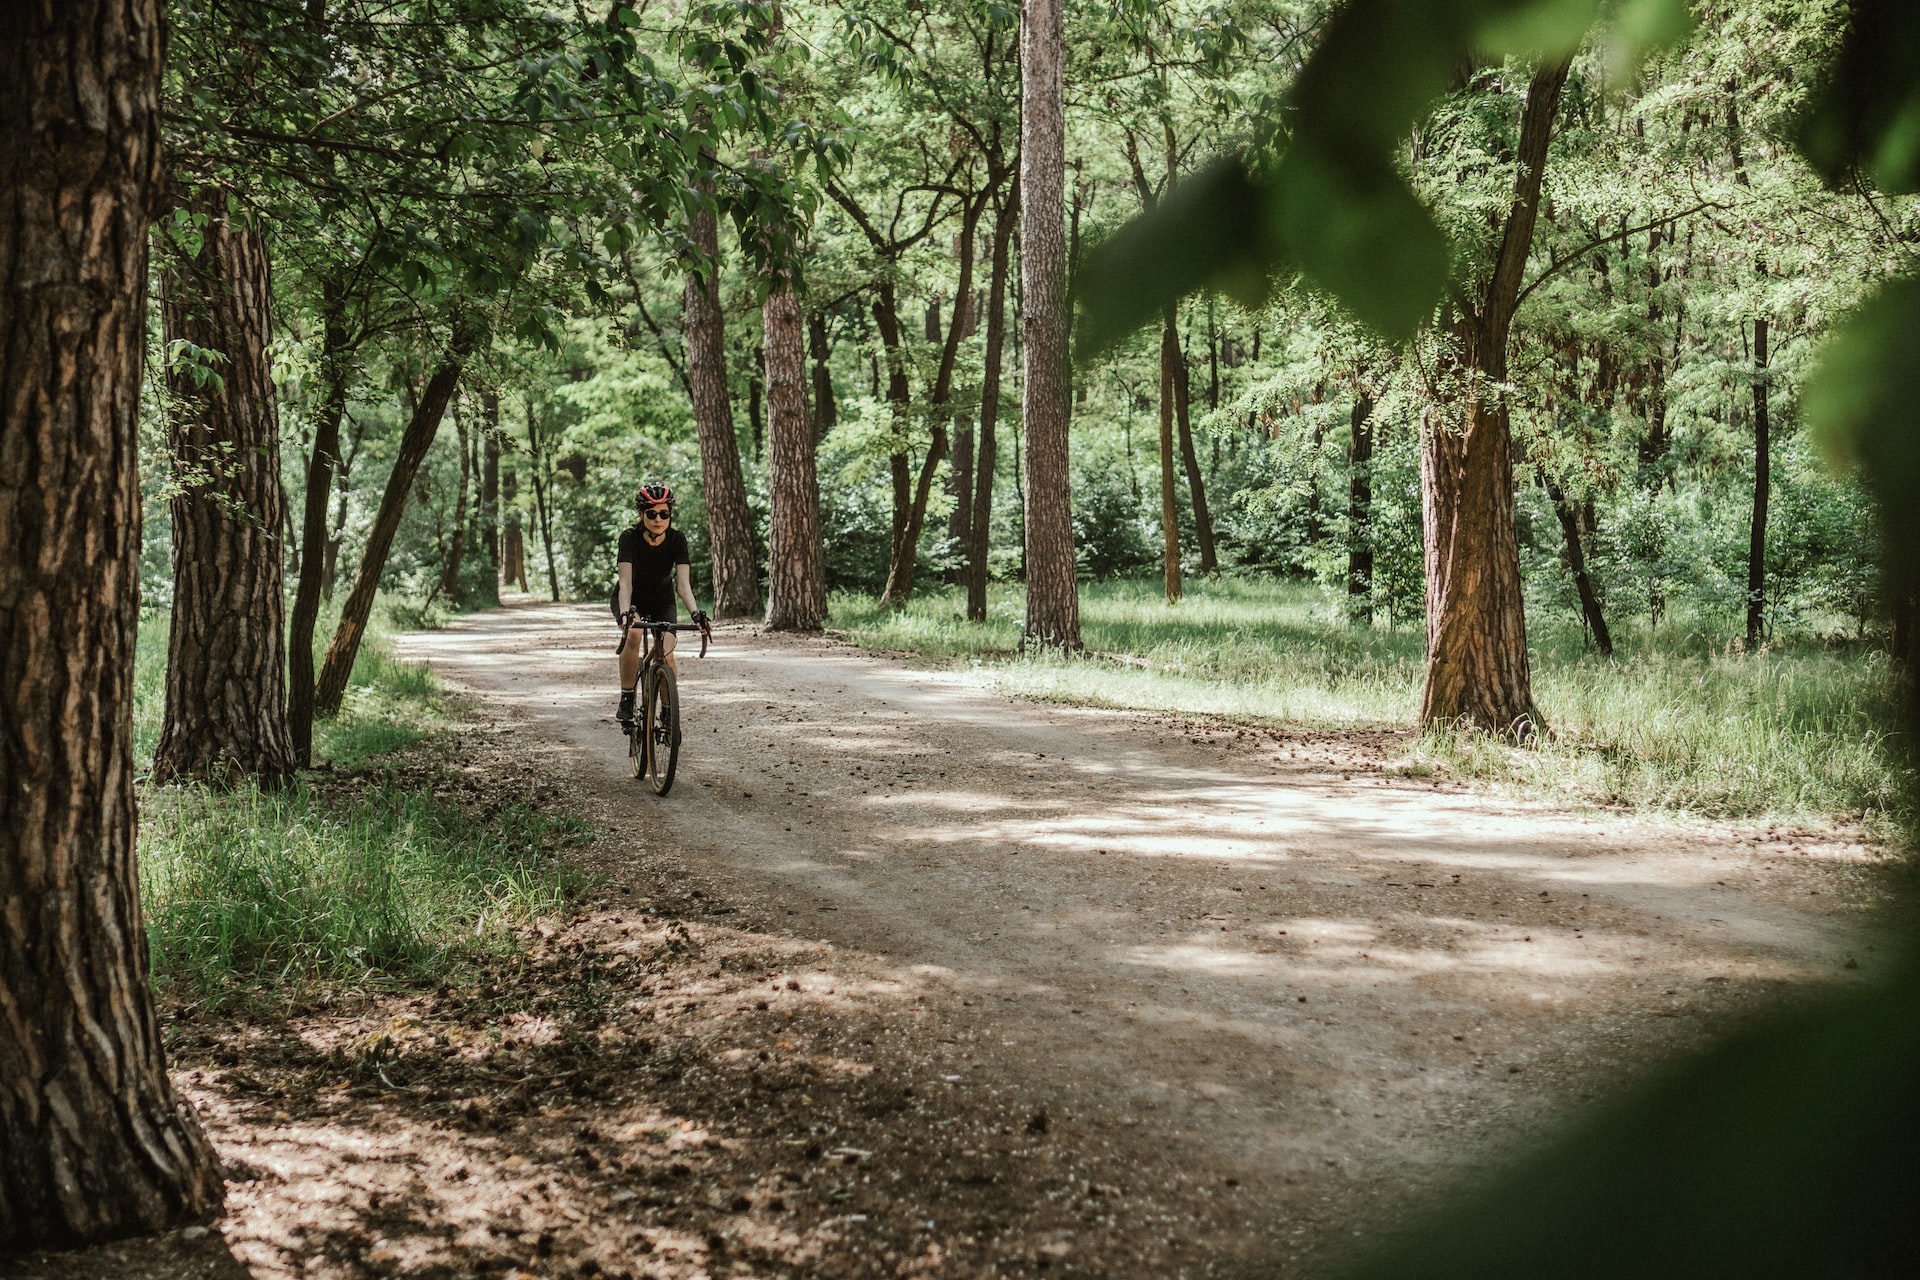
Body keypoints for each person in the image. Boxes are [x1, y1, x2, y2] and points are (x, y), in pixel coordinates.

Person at [614, 482, 709, 724]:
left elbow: (683, 586)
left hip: (662, 599)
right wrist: (626, 614)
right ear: (641, 514)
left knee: (665, 653)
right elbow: (625, 583)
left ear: (670, 514)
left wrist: (696, 613)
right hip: (631, 600)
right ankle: (626, 697)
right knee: (634, 635)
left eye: (664, 513)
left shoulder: (677, 540)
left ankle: (668, 709)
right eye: (652, 514)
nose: (658, 519)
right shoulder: (629, 539)